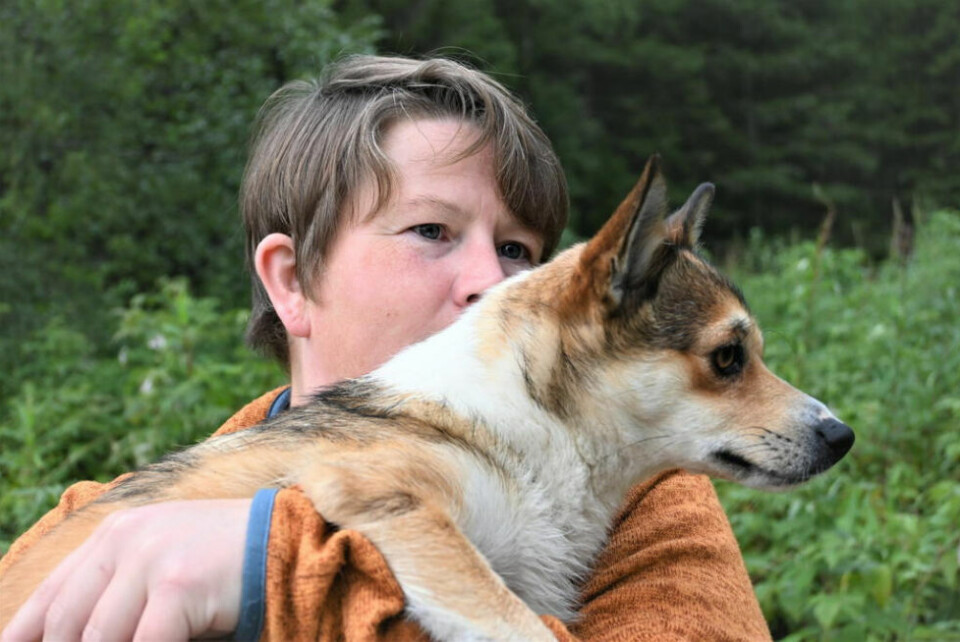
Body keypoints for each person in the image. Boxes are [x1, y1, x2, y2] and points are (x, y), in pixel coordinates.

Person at [0, 56, 771, 641]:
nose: (491, 282)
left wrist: (269, 568)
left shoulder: (633, 491)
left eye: (516, 250)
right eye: (432, 231)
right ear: (293, 279)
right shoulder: (97, 522)